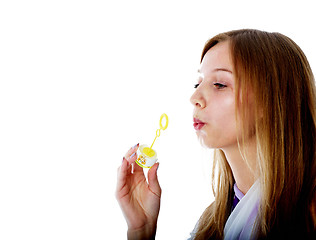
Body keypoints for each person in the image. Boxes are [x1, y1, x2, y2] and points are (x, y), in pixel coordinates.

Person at [116, 29, 316, 239]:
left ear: (272, 100)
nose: (195, 97)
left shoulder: (309, 214)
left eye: (219, 84)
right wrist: (142, 231)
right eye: (198, 83)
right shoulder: (212, 224)